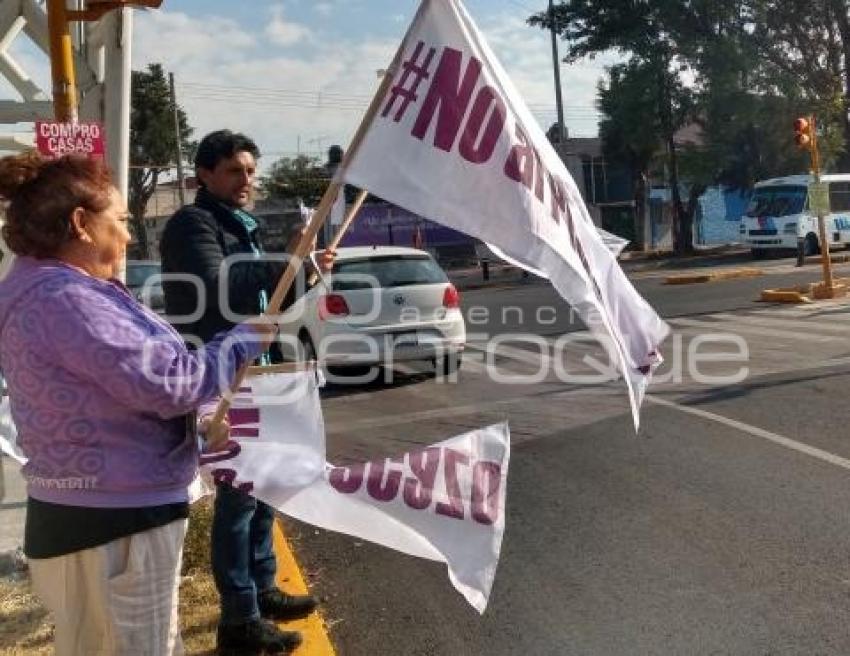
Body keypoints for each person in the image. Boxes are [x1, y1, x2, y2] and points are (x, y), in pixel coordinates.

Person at [0, 152, 279, 655]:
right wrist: (242, 340)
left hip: (96, 512)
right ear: (82, 225)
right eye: (122, 222)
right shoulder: (67, 299)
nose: (129, 237)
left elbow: (109, 395)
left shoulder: (47, 288)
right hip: (116, 523)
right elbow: (168, 385)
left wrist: (190, 432)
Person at [161, 130, 330, 654]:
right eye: (235, 171)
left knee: (264, 489)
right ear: (205, 175)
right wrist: (289, 260)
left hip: (261, 371)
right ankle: (239, 618)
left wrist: (311, 268)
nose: (246, 181)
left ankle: (263, 587)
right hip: (223, 373)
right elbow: (217, 284)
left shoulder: (243, 227)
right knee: (237, 497)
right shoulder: (194, 224)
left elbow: (275, 296)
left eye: (251, 171)